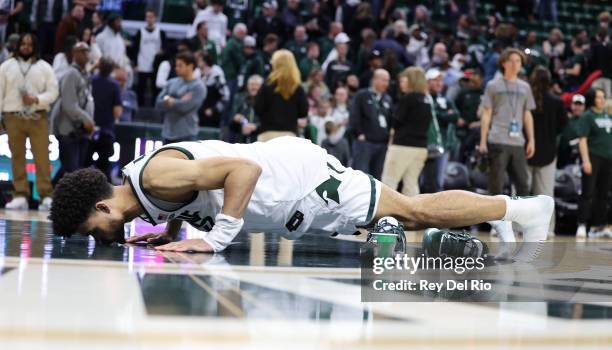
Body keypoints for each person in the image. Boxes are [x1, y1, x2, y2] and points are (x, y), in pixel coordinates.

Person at [49, 136, 555, 254]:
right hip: (291, 186)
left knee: (415, 212)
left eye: (90, 231)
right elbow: (192, 189)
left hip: (301, 183)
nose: (97, 238)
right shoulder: (148, 187)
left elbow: (241, 171)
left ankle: (526, 208)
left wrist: (215, 239)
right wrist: (174, 229)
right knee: (411, 218)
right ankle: (505, 212)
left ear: (100, 206)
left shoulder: (154, 178)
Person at [0, 33, 58, 211]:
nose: (26, 47)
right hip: (12, 116)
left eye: (29, 44)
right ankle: (20, 195)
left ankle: (45, 195)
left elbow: (53, 92)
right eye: (23, 44)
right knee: (16, 157)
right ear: (18, 46)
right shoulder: (6, 66)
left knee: (42, 156)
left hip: (37, 116)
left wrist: (36, 99)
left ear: (35, 47)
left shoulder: (44, 67)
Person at [479, 48, 535, 196]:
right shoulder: (493, 85)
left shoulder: (525, 87)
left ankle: (521, 218)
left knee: (523, 184)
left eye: (518, 61)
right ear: (503, 63)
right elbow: (486, 114)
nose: (515, 64)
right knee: (496, 185)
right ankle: (495, 219)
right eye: (511, 61)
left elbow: (527, 114)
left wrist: (531, 140)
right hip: (498, 140)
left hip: (518, 142)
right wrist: (483, 141)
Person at [527, 67, 567, 236]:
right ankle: (547, 230)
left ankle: (514, 229)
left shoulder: (527, 100)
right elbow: (562, 127)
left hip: (526, 151)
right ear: (549, 81)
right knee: (545, 196)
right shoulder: (557, 102)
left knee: (520, 194)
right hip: (549, 153)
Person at [381, 67, 431, 196]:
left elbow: (396, 121)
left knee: (389, 182)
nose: (401, 83)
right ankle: (412, 215)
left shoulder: (408, 98)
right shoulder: (427, 100)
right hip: (420, 148)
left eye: (403, 80)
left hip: (402, 146)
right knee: (411, 184)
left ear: (412, 81)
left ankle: (384, 214)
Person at [51, 42, 94, 182]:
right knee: (72, 171)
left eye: (87, 51)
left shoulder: (85, 74)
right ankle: (54, 197)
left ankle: (50, 195)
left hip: (80, 129)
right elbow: (69, 105)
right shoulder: (71, 74)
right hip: (67, 129)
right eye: (82, 51)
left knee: (71, 170)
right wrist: (87, 120)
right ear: (74, 54)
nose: (86, 54)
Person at [576, 88, 612, 238]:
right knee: (588, 192)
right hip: (593, 157)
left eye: (603, 97)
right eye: (599, 97)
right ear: (592, 99)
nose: (602, 100)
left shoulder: (608, 115)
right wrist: (586, 160)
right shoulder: (587, 116)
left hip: (608, 159)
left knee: (604, 194)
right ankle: (582, 225)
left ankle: (599, 226)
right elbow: (582, 139)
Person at [254, 49, 308, 141]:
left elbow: (257, 109)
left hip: (267, 134)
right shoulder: (297, 88)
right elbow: (303, 112)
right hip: (289, 135)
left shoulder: (266, 86)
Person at [349, 68, 392, 180]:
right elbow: (354, 115)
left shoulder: (388, 99)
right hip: (365, 143)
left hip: (382, 144)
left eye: (387, 81)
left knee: (377, 179)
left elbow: (390, 120)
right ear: (375, 80)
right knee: (361, 177)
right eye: (383, 80)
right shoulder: (362, 95)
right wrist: (359, 134)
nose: (386, 83)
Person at [421, 68, 459, 194]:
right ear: (427, 82)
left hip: (444, 144)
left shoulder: (445, 99)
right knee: (423, 179)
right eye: (435, 80)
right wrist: (445, 114)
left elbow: (455, 116)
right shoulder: (423, 98)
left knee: (439, 181)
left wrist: (442, 114)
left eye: (440, 81)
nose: (439, 83)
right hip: (425, 144)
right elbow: (432, 115)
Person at [155, 51, 206, 145]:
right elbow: (158, 103)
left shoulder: (198, 87)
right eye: (176, 65)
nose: (176, 68)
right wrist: (173, 100)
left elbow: (184, 107)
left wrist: (171, 100)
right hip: (167, 133)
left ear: (190, 66)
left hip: (187, 135)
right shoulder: (171, 82)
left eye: (180, 65)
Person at [88, 57, 122, 181]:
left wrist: (93, 67)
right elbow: (117, 111)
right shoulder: (114, 85)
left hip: (89, 127)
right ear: (112, 69)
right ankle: (105, 195)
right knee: (104, 167)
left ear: (99, 66)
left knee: (84, 163)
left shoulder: (90, 80)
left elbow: (85, 73)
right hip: (106, 129)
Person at [131, 9, 166, 107]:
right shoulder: (140, 32)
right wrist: (136, 64)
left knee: (155, 88)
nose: (149, 19)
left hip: (155, 64)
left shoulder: (160, 32)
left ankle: (154, 107)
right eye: (147, 17)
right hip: (142, 63)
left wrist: (161, 53)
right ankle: (139, 107)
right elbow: (135, 49)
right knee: (141, 88)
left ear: (155, 18)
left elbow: (165, 48)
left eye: (151, 17)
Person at [198, 52, 230, 128]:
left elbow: (225, 96)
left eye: (200, 60)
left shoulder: (216, 74)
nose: (198, 62)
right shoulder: (197, 72)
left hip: (213, 113)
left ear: (205, 62)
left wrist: (213, 110)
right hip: (200, 111)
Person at [228, 74, 262, 144]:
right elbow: (230, 125)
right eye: (252, 84)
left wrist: (255, 127)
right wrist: (235, 119)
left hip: (259, 141)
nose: (254, 87)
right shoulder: (240, 99)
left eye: (257, 85)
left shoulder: (267, 102)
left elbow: (270, 123)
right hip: (241, 141)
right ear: (247, 86)